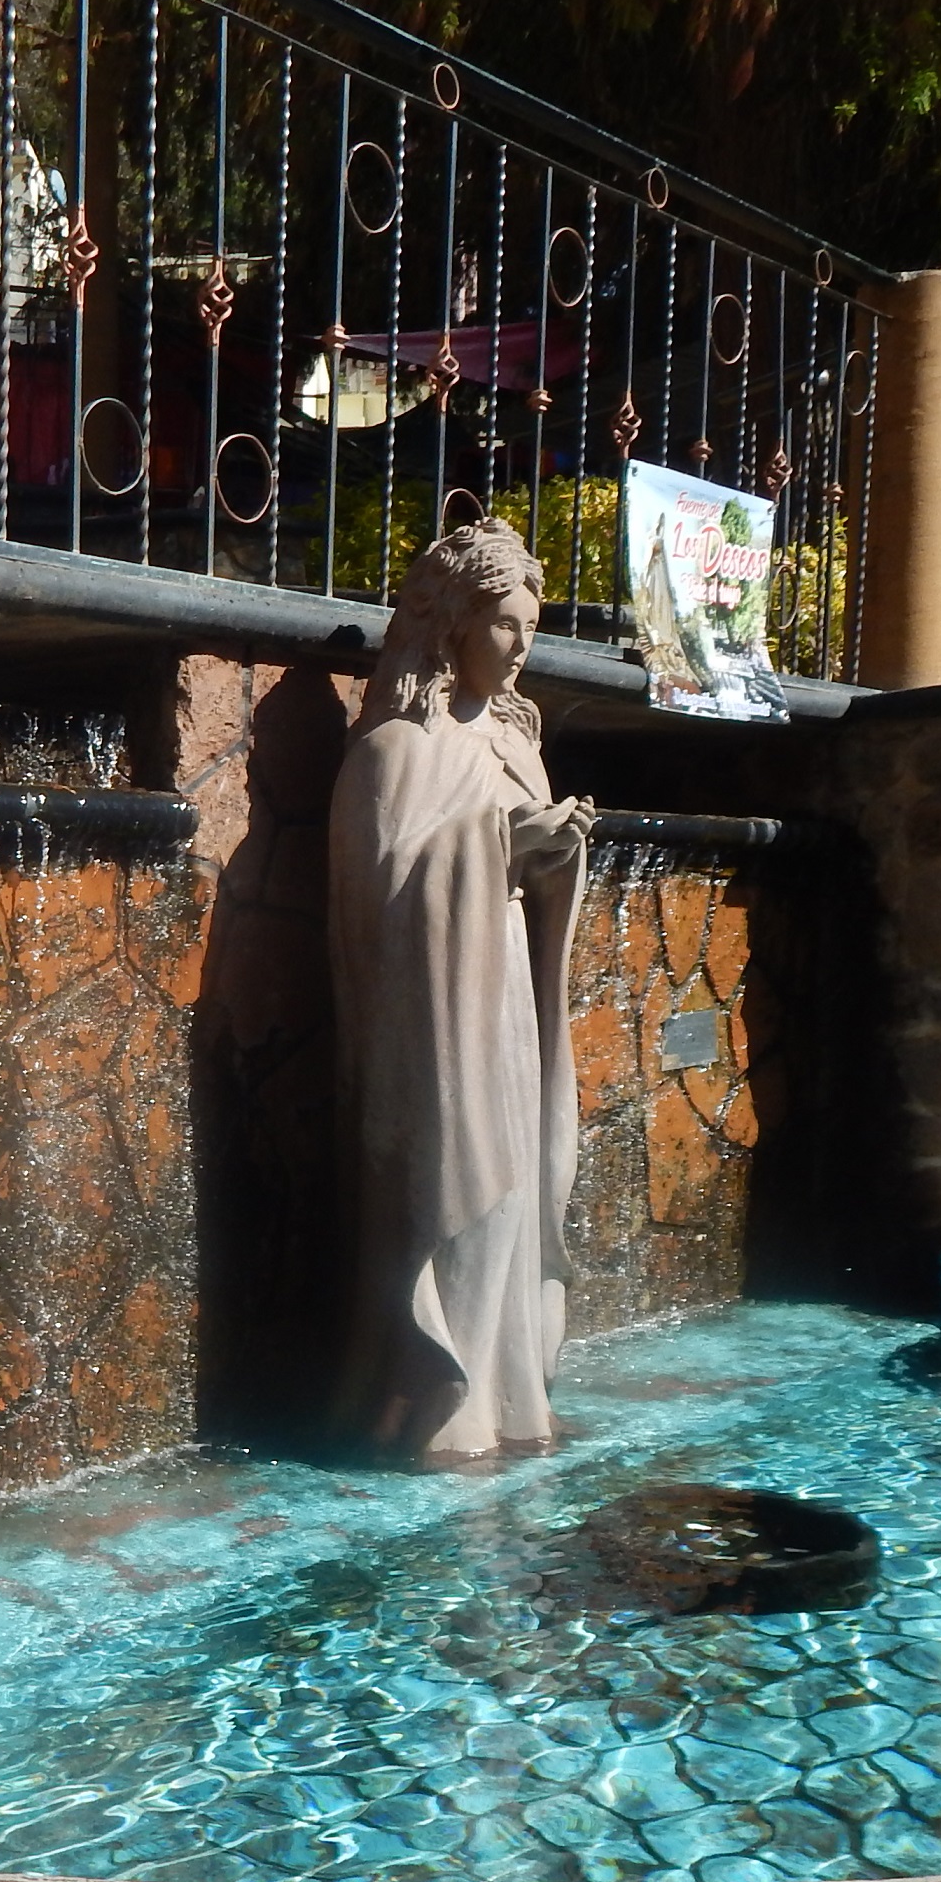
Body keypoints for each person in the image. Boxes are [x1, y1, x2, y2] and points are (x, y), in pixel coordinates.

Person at [328, 519, 592, 1461]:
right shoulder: (393, 751)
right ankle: (440, 1406)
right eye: (505, 626)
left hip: (506, 993)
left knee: (514, 1194)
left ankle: (507, 1396)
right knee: (465, 1203)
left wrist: (553, 856)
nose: (521, 648)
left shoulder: (518, 744)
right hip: (437, 1028)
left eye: (531, 629)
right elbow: (377, 905)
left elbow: (517, 867)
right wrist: (497, 848)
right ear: (451, 625)